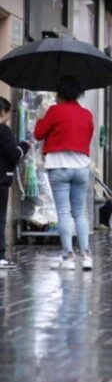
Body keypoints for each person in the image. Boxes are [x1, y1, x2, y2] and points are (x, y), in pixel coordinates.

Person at [34, 76, 95, 271]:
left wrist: (41, 118)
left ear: (59, 93)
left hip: (58, 166)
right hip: (81, 167)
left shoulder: (54, 111)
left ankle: (68, 257)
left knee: (63, 213)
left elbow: (38, 134)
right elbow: (88, 136)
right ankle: (86, 256)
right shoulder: (87, 114)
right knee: (79, 212)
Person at [0, 98, 30, 269]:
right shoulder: (4, 130)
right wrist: (23, 146)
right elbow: (13, 155)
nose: (9, 117)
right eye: (9, 113)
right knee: (0, 218)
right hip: (1, 180)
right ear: (3, 112)